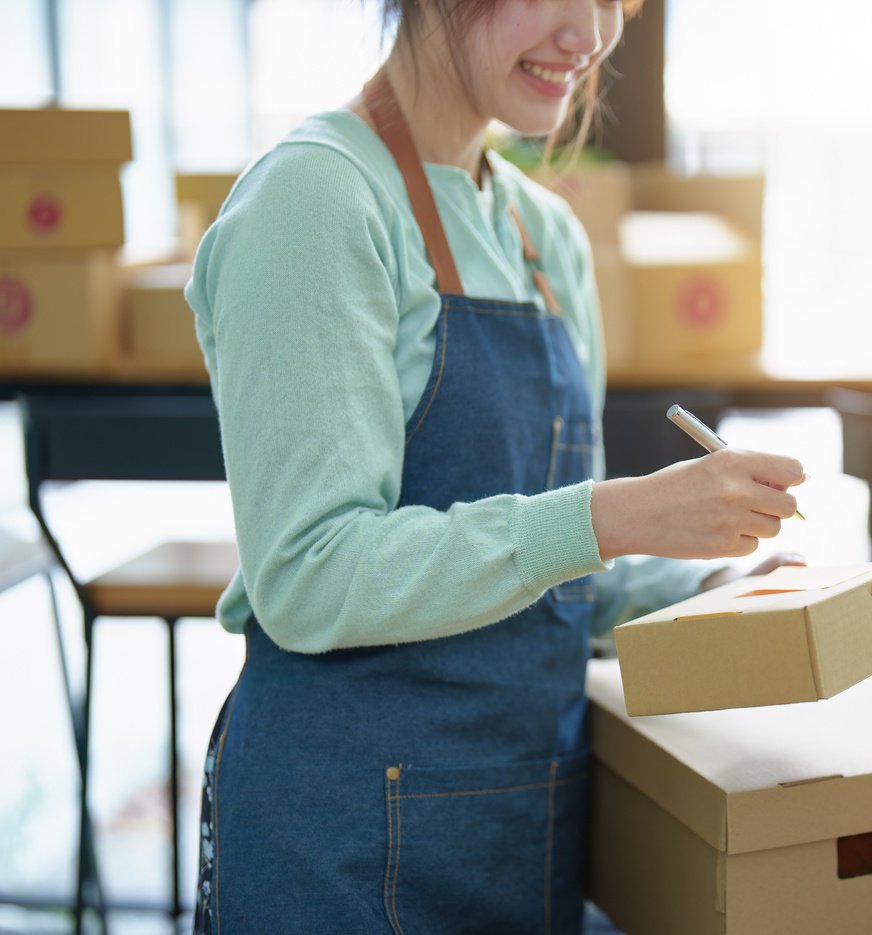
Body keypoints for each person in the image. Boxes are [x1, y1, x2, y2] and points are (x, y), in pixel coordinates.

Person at [184, 0, 804, 931]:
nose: (589, 35)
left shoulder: (545, 242)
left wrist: (717, 582)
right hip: (337, 847)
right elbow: (308, 574)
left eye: (613, 1)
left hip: (520, 829)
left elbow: (555, 580)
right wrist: (612, 515)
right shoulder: (315, 204)